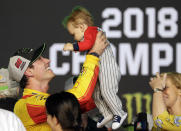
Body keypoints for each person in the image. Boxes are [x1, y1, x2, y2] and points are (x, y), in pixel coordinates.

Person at [8, 31, 108, 131]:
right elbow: (78, 98)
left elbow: (80, 104)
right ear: (28, 71)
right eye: (40, 59)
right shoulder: (25, 105)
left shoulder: (41, 102)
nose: (47, 60)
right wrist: (93, 55)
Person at [62, 6, 127, 130]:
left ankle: (119, 112)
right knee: (97, 94)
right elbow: (87, 45)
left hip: (108, 70)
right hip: (102, 72)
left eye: (73, 34)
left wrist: (73, 47)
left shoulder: (92, 31)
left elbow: (86, 44)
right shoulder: (89, 35)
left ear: (81, 27)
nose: (74, 38)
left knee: (107, 92)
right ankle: (107, 113)